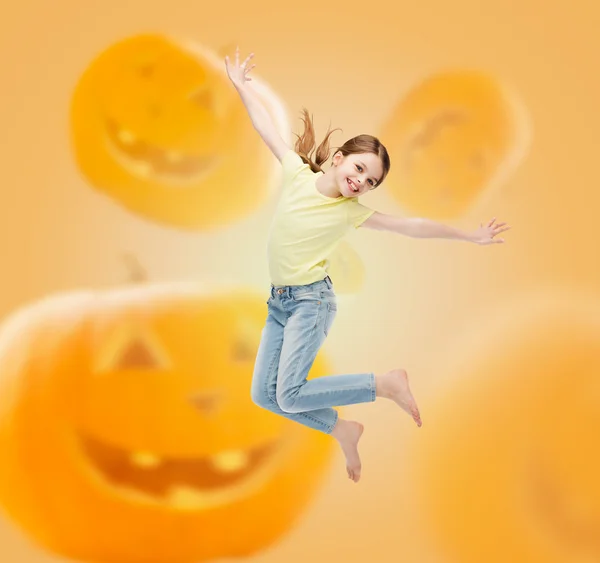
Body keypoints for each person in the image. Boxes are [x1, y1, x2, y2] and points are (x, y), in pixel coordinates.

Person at [223, 47, 510, 483]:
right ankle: (342, 428)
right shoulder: (298, 174)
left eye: (371, 181)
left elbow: (411, 226)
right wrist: (242, 87)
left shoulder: (351, 212)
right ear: (338, 159)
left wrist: (469, 235)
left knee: (291, 392)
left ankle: (385, 384)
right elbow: (267, 129)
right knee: (265, 396)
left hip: (310, 304)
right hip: (280, 302)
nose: (361, 182)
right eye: (359, 168)